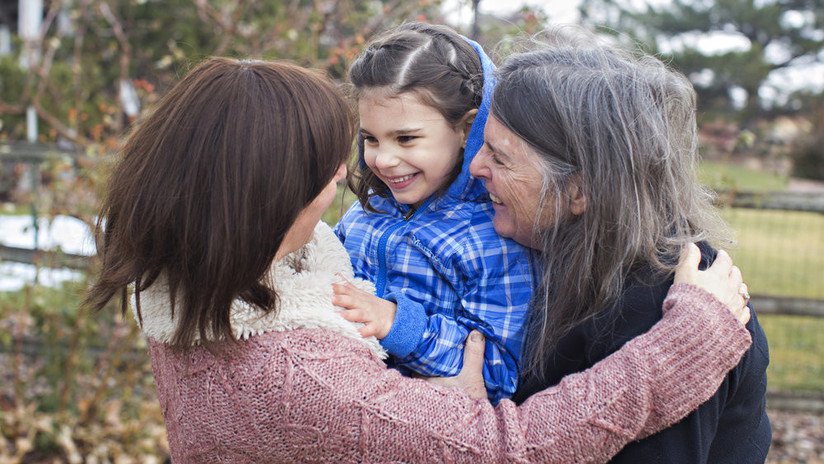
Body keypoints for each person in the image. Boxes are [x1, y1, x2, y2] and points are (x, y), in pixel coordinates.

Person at [84, 56, 754, 463]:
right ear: (274, 198)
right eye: (335, 164)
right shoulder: (295, 373)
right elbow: (509, 451)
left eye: (495, 153)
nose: (354, 176)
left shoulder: (201, 285)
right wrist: (685, 345)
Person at [469, 28, 771, 463]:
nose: (476, 166)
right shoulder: (564, 259)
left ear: (581, 191)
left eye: (500, 157)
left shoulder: (661, 306)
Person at [332, 22, 533, 403]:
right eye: (370, 138)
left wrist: (397, 323)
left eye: (406, 138)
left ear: (467, 129)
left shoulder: (493, 239)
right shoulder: (363, 217)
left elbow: (499, 373)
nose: (383, 159)